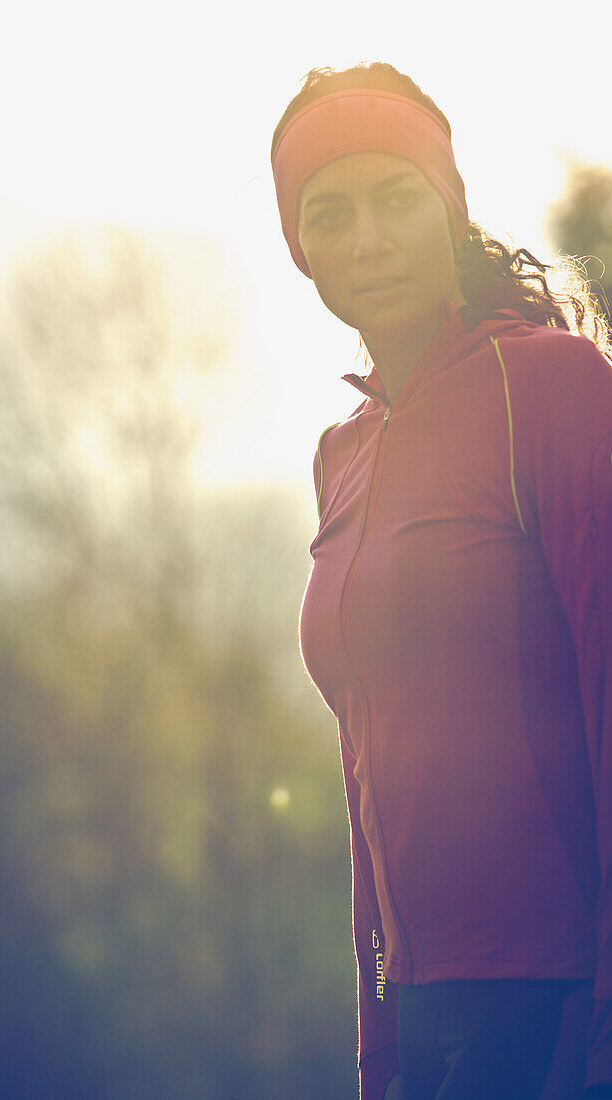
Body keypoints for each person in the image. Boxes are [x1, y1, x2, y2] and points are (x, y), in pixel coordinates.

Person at [270, 62, 612, 1100]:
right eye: (330, 213)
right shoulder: (343, 450)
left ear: (448, 208)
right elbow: (365, 767)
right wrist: (380, 1046)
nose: (367, 240)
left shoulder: (548, 386)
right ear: (301, 247)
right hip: (420, 1005)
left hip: (557, 999)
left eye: (396, 199)